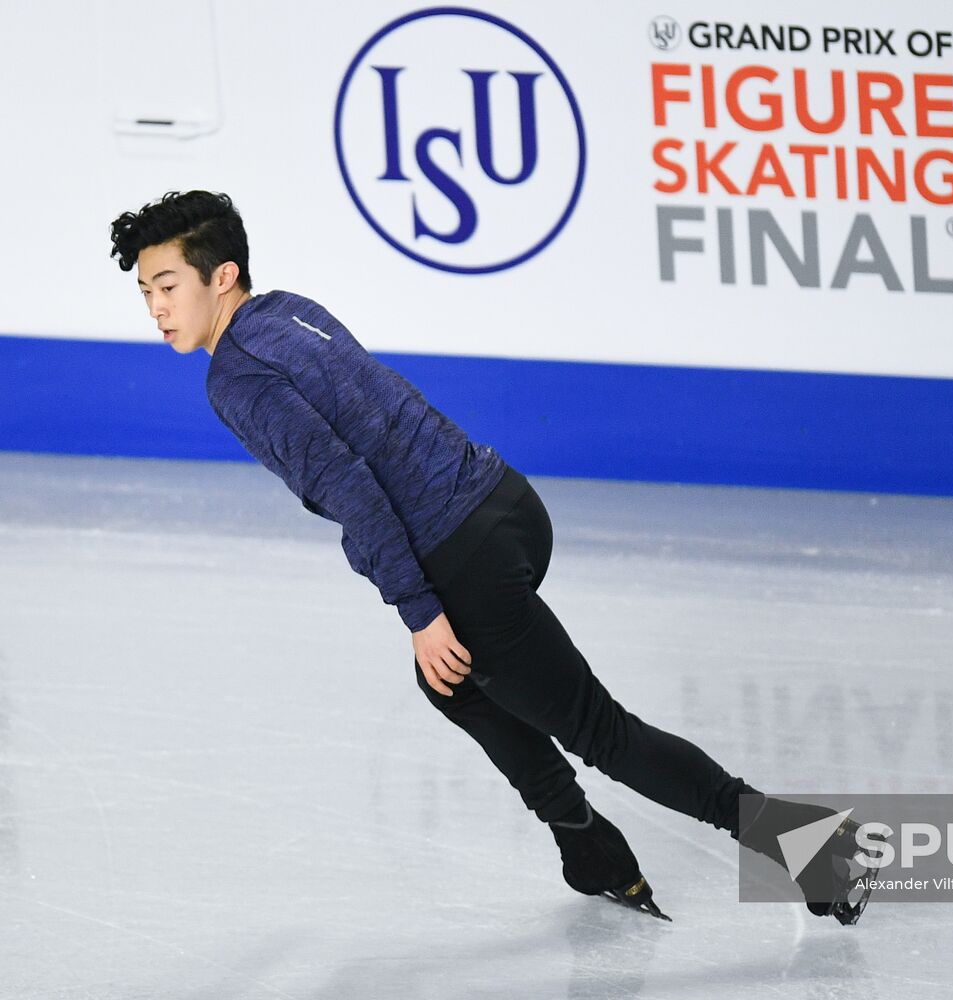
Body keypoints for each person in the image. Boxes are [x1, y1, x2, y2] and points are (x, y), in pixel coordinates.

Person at [108, 190, 873, 924]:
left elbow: (351, 487)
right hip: (503, 502)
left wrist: (421, 610)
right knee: (452, 685)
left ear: (223, 276)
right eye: (146, 291)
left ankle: (815, 852)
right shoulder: (290, 314)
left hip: (458, 544)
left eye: (168, 285)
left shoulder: (236, 375)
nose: (157, 308)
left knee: (598, 731)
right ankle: (589, 850)